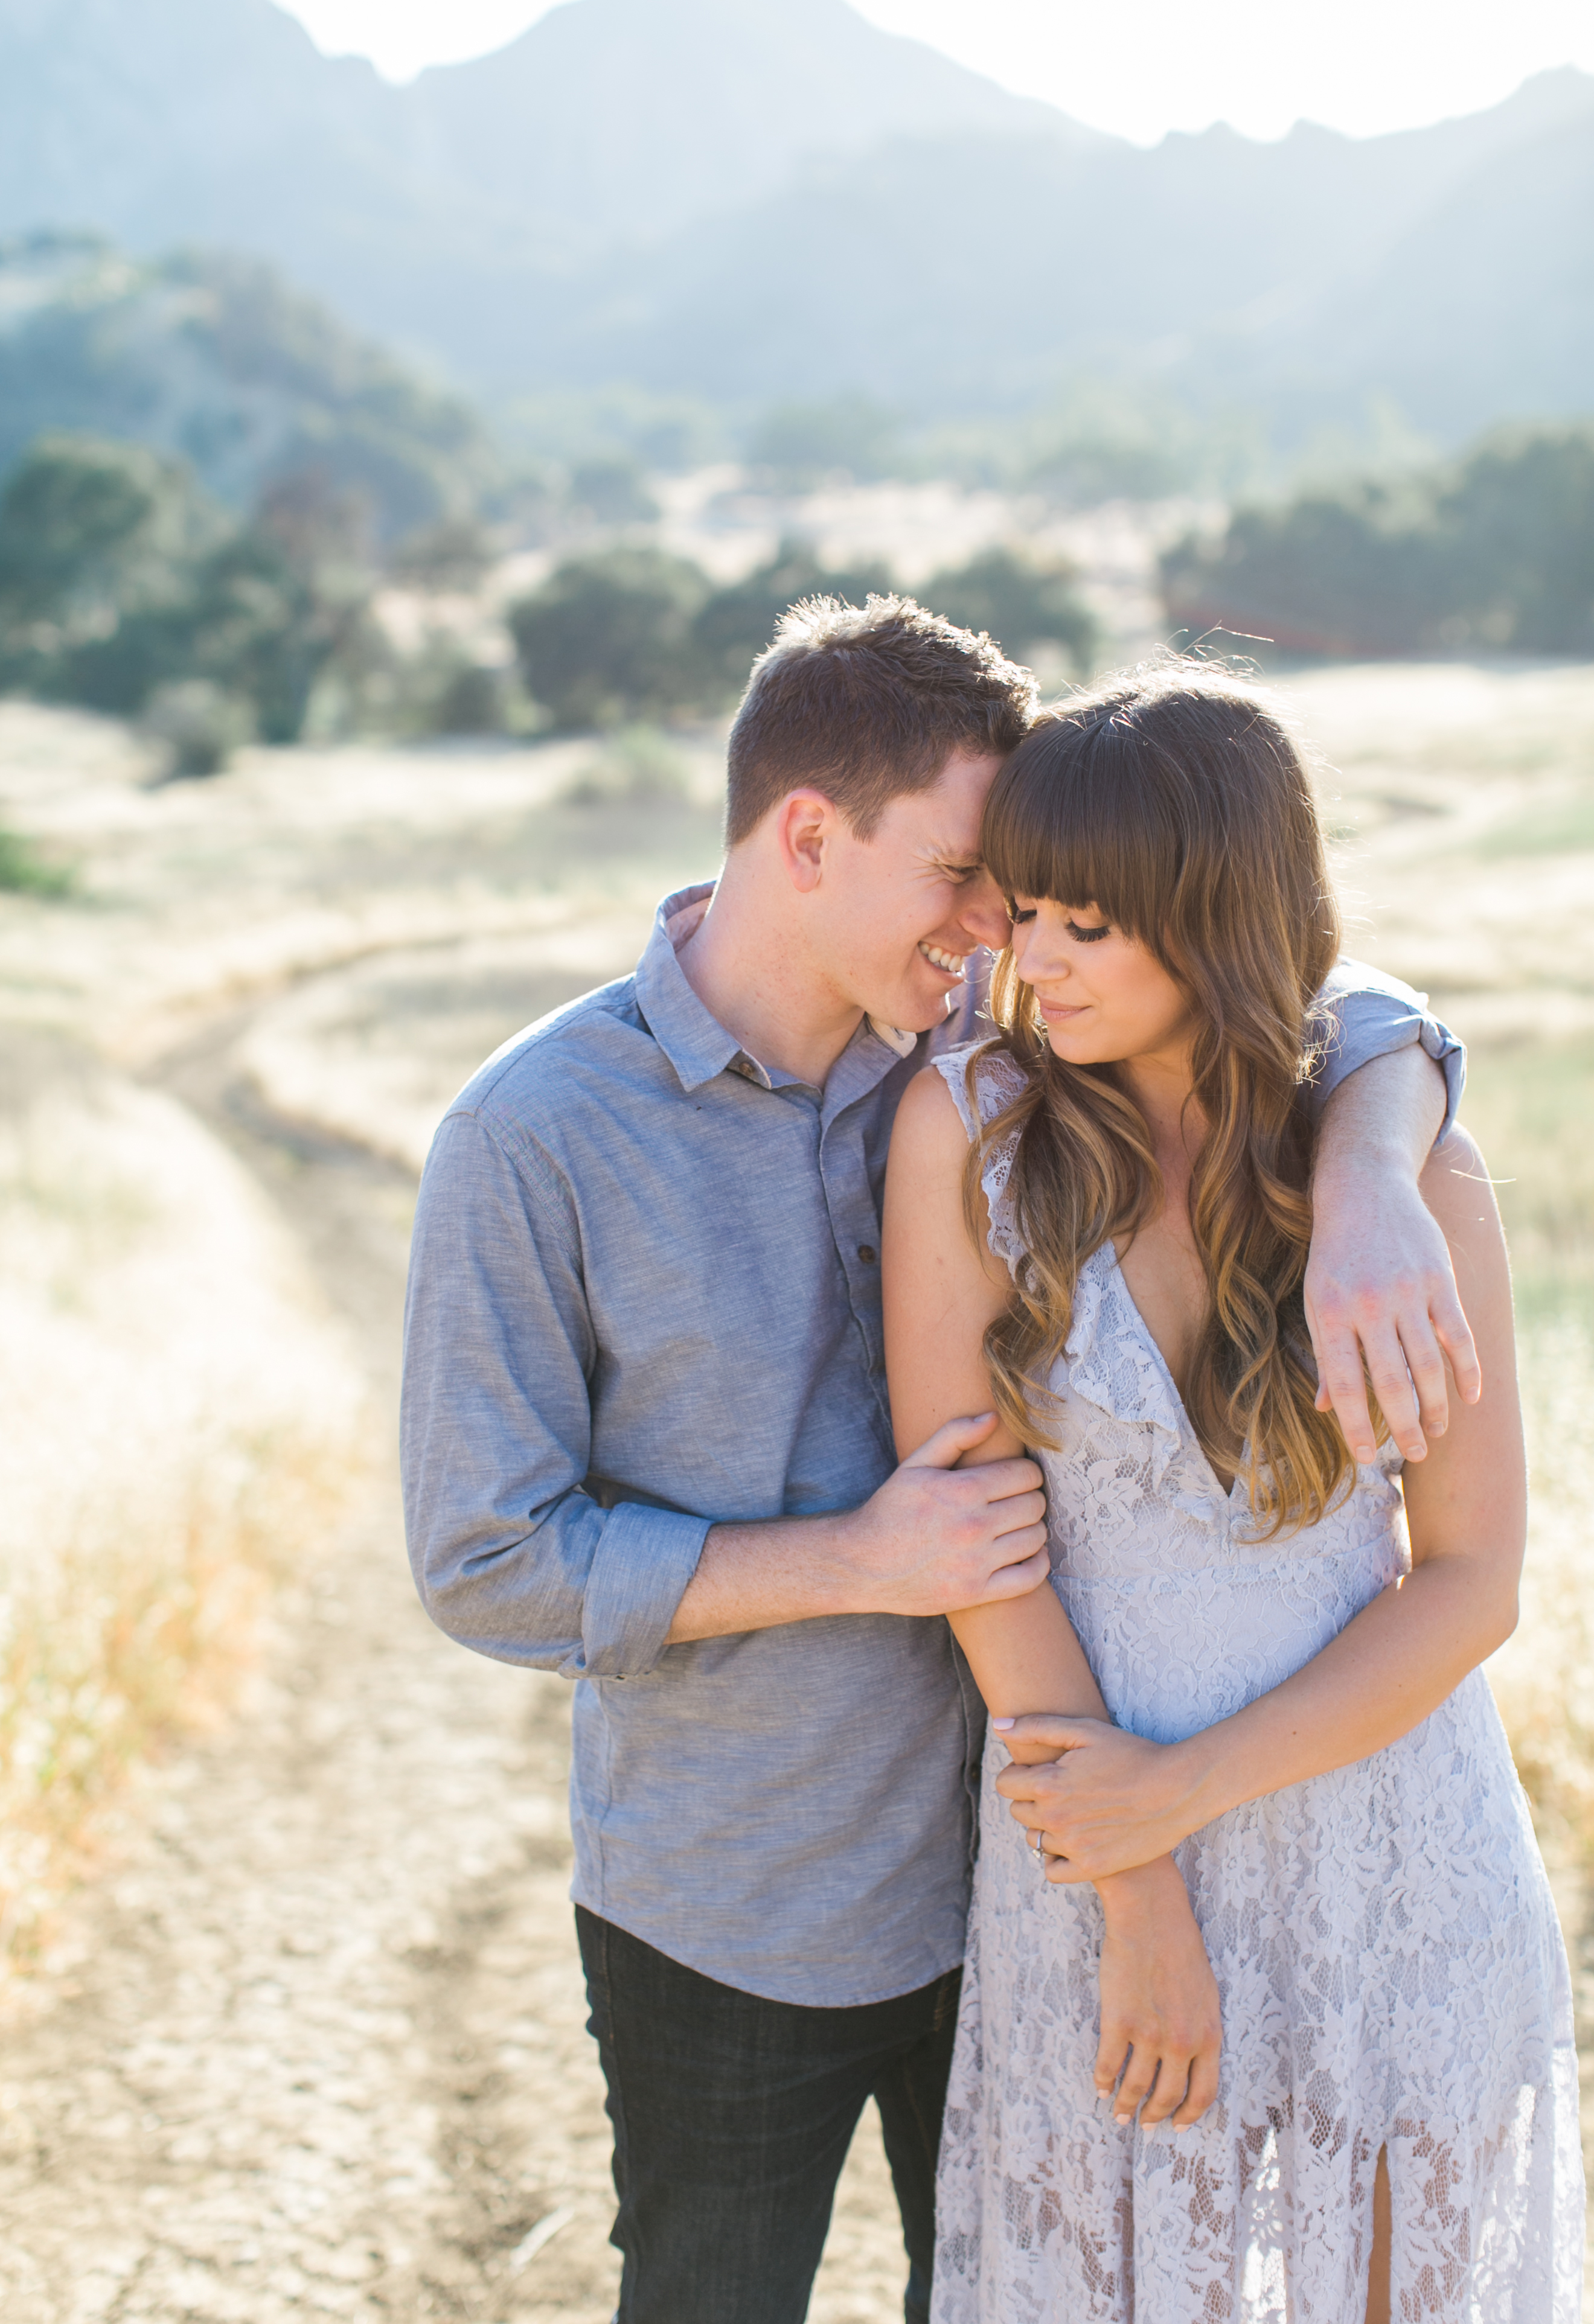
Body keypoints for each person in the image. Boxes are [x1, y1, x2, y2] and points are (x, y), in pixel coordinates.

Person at [402, 599, 1473, 2324]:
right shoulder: (536, 1138)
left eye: (1028, 890)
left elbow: (1290, 977)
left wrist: (1372, 1156)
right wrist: (860, 1562)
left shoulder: (984, 1041)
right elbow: (484, 1560)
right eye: (973, 872)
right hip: (741, 1900)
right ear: (808, 838)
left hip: (1026, 1882)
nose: (1004, 925)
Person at [883, 663, 1580, 2323]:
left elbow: (1472, 1578)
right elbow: (980, 1548)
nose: (1031, 962)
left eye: (1088, 926)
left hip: (1397, 1854)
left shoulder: (1403, 1180)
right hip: (1099, 1849)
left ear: (1217, 921)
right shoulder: (968, 1135)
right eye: (1025, 910)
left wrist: (1184, 1788)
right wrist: (1138, 1876)